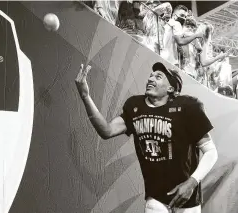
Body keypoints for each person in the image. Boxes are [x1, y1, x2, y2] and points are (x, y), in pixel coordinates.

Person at [75, 61, 218, 213]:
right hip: (156, 196)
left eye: (158, 77)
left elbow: (211, 152)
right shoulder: (136, 107)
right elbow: (106, 131)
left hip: (187, 196)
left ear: (171, 88)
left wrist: (191, 184)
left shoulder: (187, 108)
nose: (151, 79)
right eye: (150, 76)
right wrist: (85, 96)